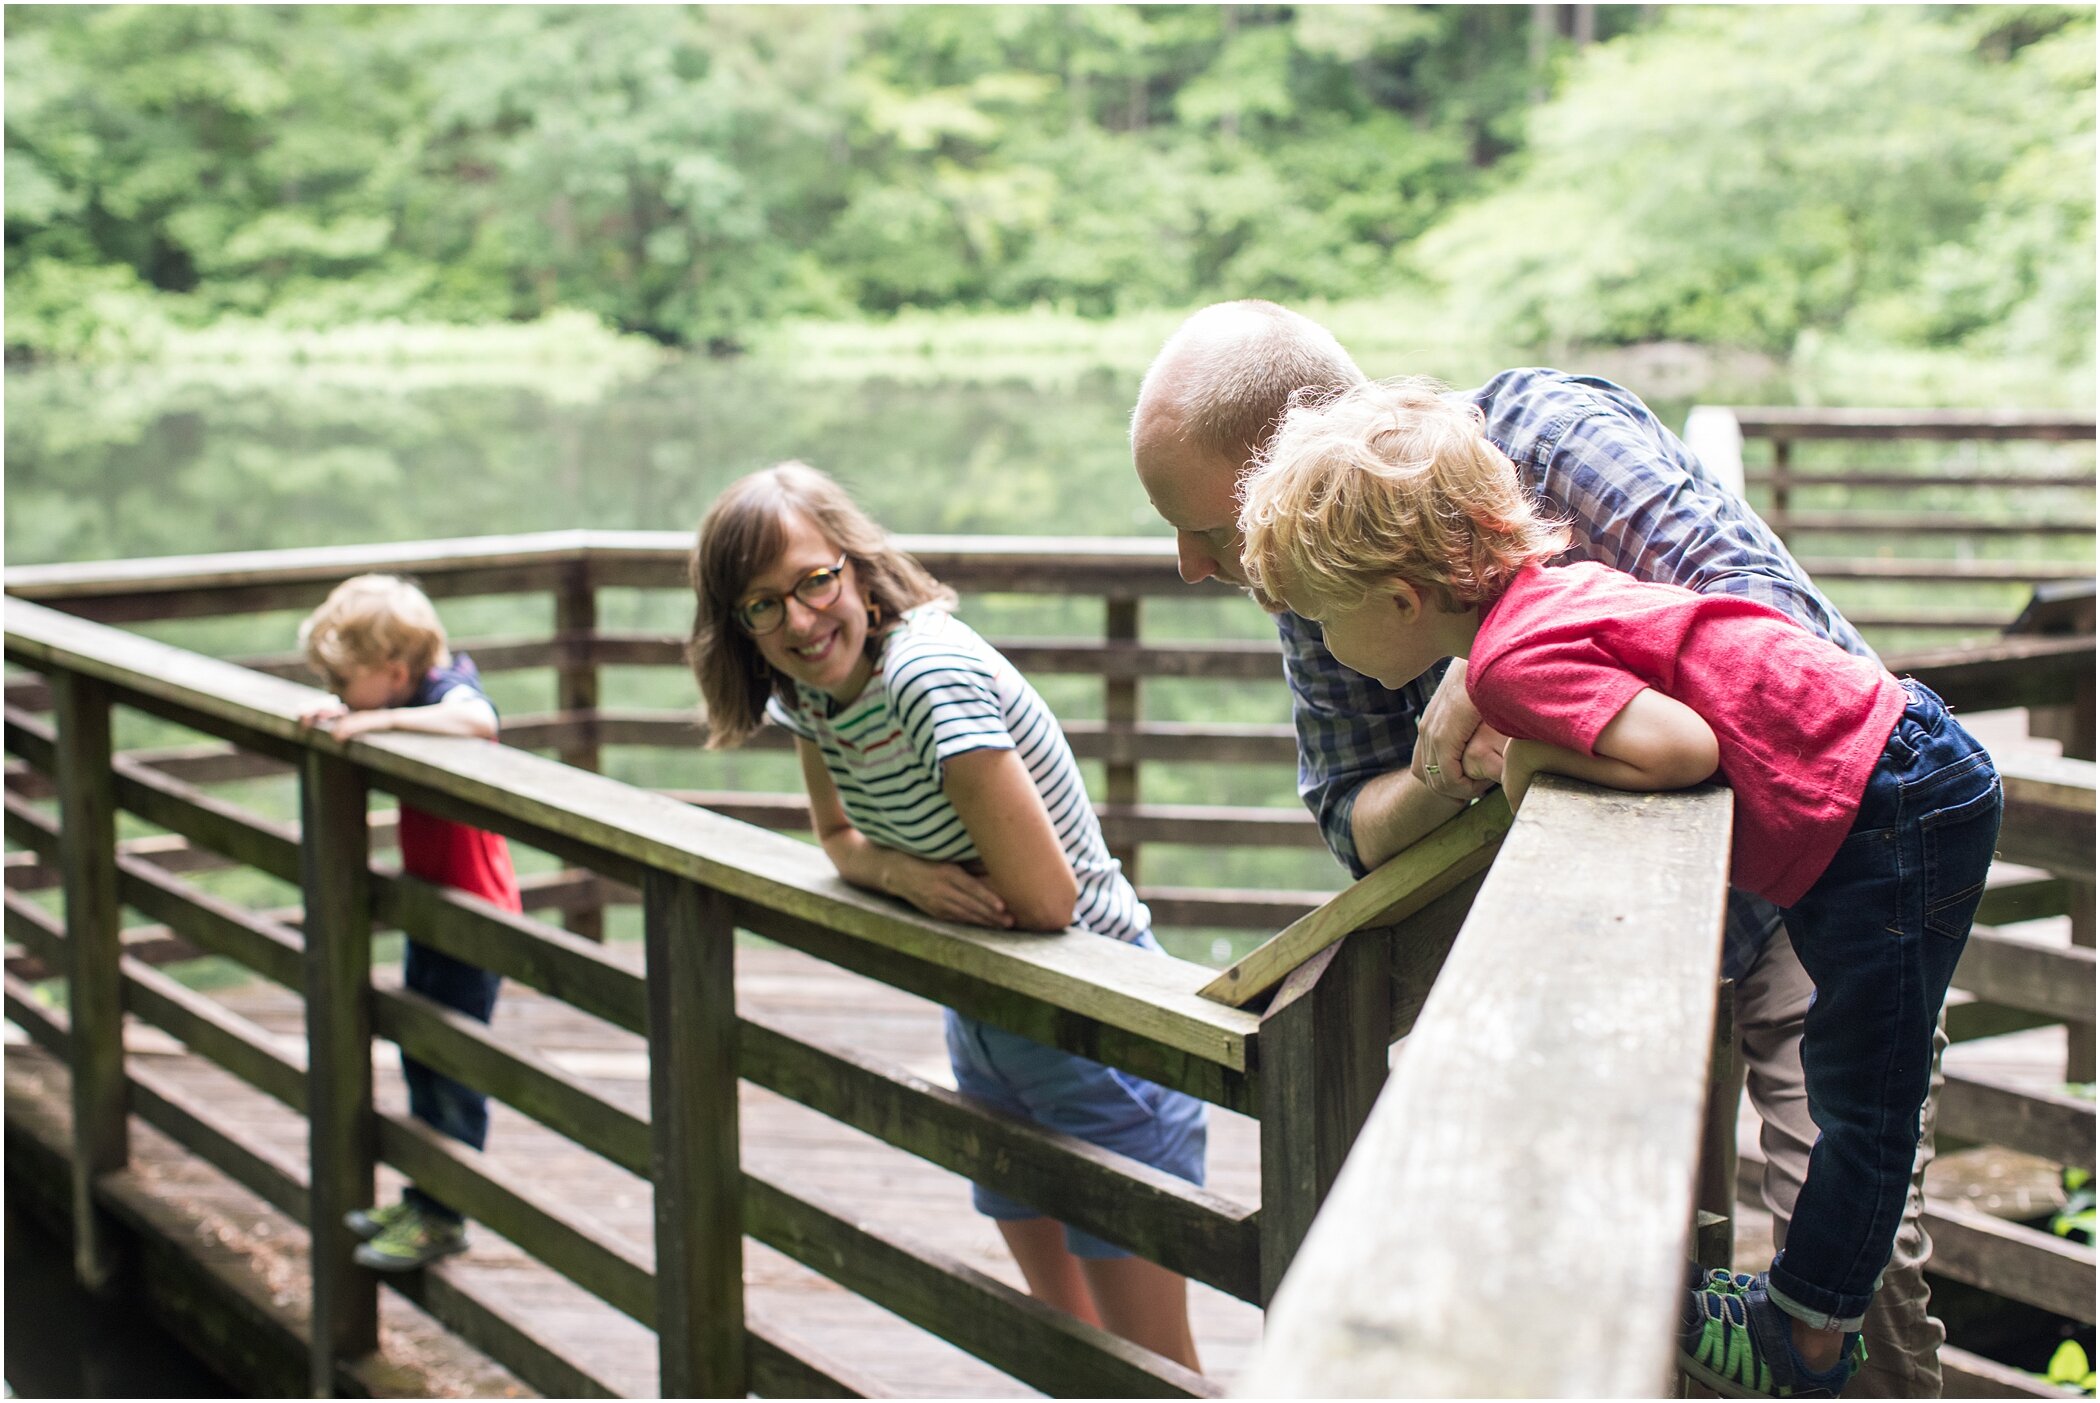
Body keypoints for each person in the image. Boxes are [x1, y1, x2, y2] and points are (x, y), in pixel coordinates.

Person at [1130, 300, 1949, 1396]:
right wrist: (1441, 768)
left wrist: (1517, 657)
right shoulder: (1317, 587)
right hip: (1611, 947)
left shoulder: (1552, 435)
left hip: (1823, 873)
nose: (1190, 565)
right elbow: (1352, 821)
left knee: (1857, 1280)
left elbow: (1772, 619)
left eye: (1209, 529)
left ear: (1296, 459)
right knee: (1613, 1279)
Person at [685, 462, 1207, 1369]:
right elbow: (840, 838)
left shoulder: (929, 678)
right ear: (738, 624)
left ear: (854, 564)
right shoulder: (810, 698)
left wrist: (906, 874)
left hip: (1095, 1026)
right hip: (984, 1022)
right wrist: (907, 874)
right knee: (1065, 1348)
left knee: (1149, 1367)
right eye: (764, 605)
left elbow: (1049, 901)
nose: (802, 621)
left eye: (815, 580)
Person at [298, 574, 520, 1272]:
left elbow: (481, 721)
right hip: (434, 906)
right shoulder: (408, 689)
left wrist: (380, 721)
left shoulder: (448, 691)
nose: (339, 695)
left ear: (395, 674)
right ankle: (424, 1195)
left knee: (451, 1065)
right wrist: (349, 712)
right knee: (420, 1053)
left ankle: (445, 1214)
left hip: (472, 914)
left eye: (344, 682)